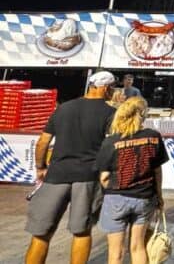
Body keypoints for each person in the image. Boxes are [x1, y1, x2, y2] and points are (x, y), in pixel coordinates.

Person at [25, 71, 117, 264]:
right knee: (81, 231)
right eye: (113, 88)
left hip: (57, 174)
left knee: (41, 233)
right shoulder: (110, 113)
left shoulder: (64, 108)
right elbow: (111, 145)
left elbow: (43, 141)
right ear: (106, 88)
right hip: (88, 176)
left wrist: (40, 167)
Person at [96, 97, 168, 264]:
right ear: (142, 114)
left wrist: (112, 190)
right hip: (145, 197)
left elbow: (104, 177)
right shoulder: (154, 136)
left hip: (116, 198)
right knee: (138, 247)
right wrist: (159, 196)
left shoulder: (111, 141)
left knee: (116, 253)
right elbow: (157, 171)